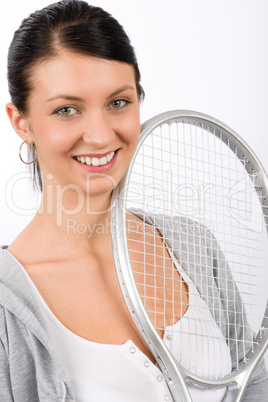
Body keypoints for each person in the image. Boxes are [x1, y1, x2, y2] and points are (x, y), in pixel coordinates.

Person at [0, 1, 267, 401]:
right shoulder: (8, 310)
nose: (101, 135)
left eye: (118, 102)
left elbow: (255, 383)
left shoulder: (191, 243)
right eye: (67, 110)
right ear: (22, 122)